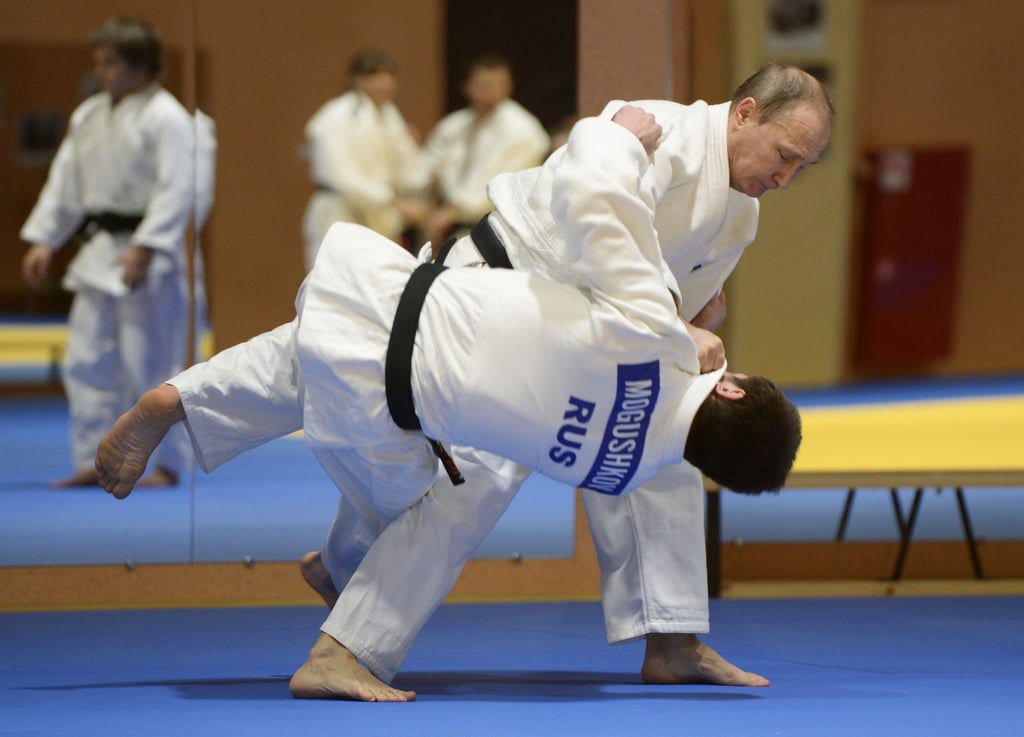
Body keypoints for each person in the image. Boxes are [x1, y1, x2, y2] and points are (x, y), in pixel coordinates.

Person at [99, 64, 830, 698]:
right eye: (786, 155)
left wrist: (696, 318)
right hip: (514, 296)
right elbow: (601, 207)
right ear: (745, 114)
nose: (786, 177)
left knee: (668, 447)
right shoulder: (655, 132)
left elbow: (676, 299)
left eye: (803, 170)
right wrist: (673, 323)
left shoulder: (742, 214)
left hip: (578, 343)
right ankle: (346, 634)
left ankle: (670, 636)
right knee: (451, 471)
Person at [19, 16, 197, 488]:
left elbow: (177, 190)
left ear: (141, 66)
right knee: (85, 359)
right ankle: (93, 459)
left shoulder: (167, 116)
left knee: (151, 364)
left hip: (148, 256)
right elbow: (65, 185)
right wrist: (45, 239)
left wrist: (146, 245)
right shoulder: (88, 115)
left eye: (110, 62)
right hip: (98, 252)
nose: (101, 72)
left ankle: (160, 465)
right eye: (99, 62)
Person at [300, 49, 431, 270]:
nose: (383, 82)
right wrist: (395, 203)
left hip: (380, 217)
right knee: (334, 285)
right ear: (355, 79)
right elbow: (342, 176)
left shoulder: (389, 116)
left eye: (389, 75)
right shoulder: (337, 114)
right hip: (340, 210)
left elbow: (409, 171)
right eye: (373, 75)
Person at [416, 53, 550, 250]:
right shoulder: (455, 125)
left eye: (498, 84)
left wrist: (452, 211)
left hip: (497, 227)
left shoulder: (523, 129)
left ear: (509, 86)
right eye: (483, 84)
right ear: (467, 86)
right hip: (447, 218)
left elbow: (499, 181)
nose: (491, 90)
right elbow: (428, 165)